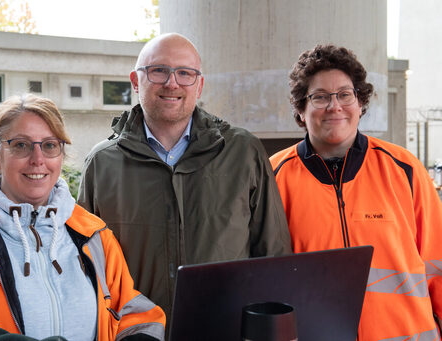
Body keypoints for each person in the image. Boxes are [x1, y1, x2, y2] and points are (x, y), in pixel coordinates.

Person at [78, 33, 291, 320]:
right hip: (136, 336)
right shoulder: (102, 163)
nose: (172, 82)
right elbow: (85, 267)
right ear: (135, 80)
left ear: (199, 84)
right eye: (158, 71)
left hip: (224, 331)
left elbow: (273, 256)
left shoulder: (243, 152)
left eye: (184, 73)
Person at [0, 94, 165, 341]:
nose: (38, 159)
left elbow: (132, 312)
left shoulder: (93, 235)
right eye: (21, 145)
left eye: (50, 145)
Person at [270, 44, 442, 340]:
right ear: (301, 108)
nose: (334, 106)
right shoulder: (273, 177)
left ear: (360, 102)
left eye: (345, 95)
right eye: (320, 97)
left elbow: (438, 263)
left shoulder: (404, 169)